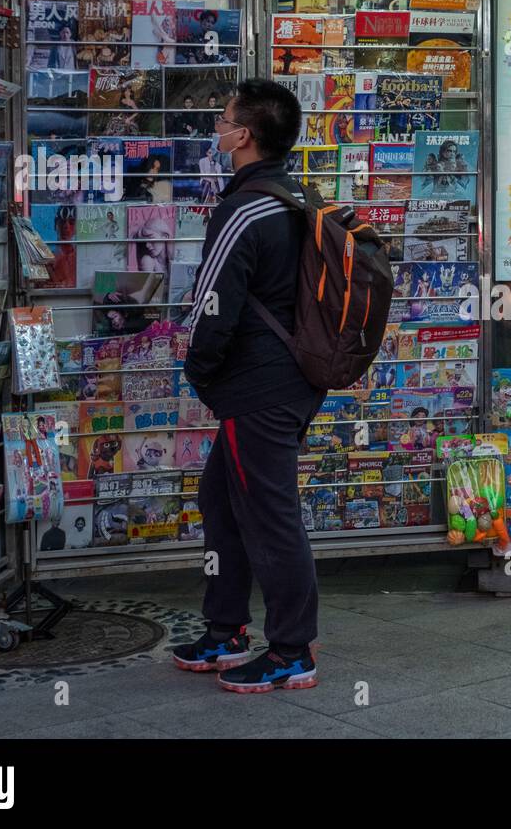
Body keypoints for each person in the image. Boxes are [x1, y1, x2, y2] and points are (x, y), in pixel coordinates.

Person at [173, 77, 326, 693]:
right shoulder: (298, 196)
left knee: (270, 516)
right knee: (221, 501)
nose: (217, 128)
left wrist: (201, 373)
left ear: (245, 135)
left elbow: (214, 304)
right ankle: (227, 629)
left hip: (258, 390)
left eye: (223, 120)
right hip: (289, 380)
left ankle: (292, 649)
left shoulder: (245, 208)